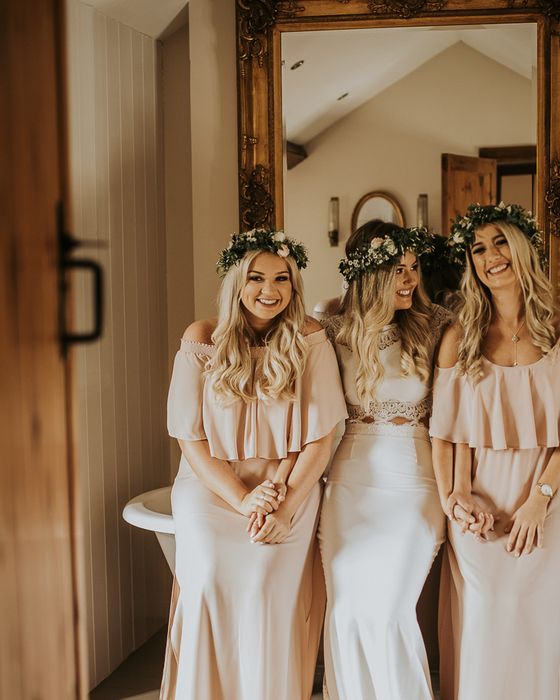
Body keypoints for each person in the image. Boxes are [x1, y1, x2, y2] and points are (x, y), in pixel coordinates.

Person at [161, 228, 347, 700]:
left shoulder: (310, 337)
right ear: (236, 282)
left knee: (265, 580)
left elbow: (321, 440)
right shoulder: (201, 338)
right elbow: (191, 439)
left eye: (281, 278)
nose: (269, 290)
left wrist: (281, 506)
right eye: (257, 278)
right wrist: (243, 499)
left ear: (294, 284)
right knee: (207, 576)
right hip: (213, 486)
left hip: (289, 485)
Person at [430, 203, 560, 700]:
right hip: (480, 495)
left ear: (523, 248)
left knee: (534, 619)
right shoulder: (459, 337)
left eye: (500, 241)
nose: (490, 256)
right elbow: (448, 433)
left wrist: (539, 499)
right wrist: (456, 496)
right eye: (477, 248)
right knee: (486, 618)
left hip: (546, 492)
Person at [318, 220, 453, 700]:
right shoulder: (330, 326)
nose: (410, 280)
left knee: (390, 609)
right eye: (398, 270)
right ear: (368, 273)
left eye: (414, 269)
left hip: (416, 480)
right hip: (350, 482)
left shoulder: (435, 324)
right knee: (347, 609)